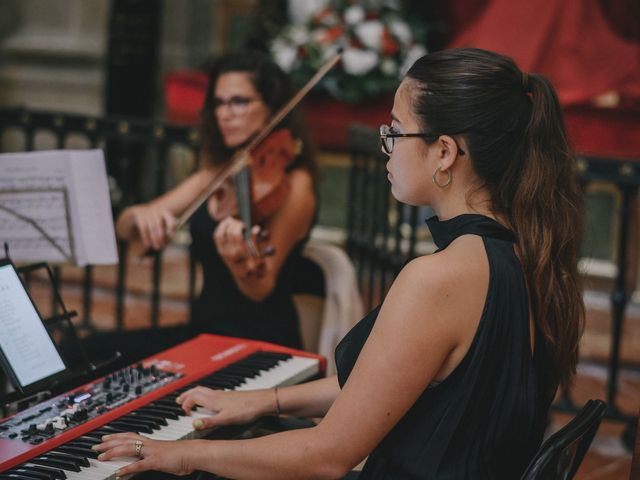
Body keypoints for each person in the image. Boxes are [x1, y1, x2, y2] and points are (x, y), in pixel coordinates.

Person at [97, 47, 585, 479]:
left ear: (443, 152)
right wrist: (265, 399)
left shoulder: (438, 278)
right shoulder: (530, 254)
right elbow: (390, 389)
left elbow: (325, 456)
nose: (386, 147)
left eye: (395, 131)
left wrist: (180, 455)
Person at [115, 51, 318, 349]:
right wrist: (139, 216)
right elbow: (124, 229)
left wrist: (238, 261)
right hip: (204, 333)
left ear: (273, 109)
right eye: (219, 103)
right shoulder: (220, 173)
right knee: (85, 354)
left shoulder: (297, 183)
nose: (224, 114)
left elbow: (261, 289)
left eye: (239, 102)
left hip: (260, 342)